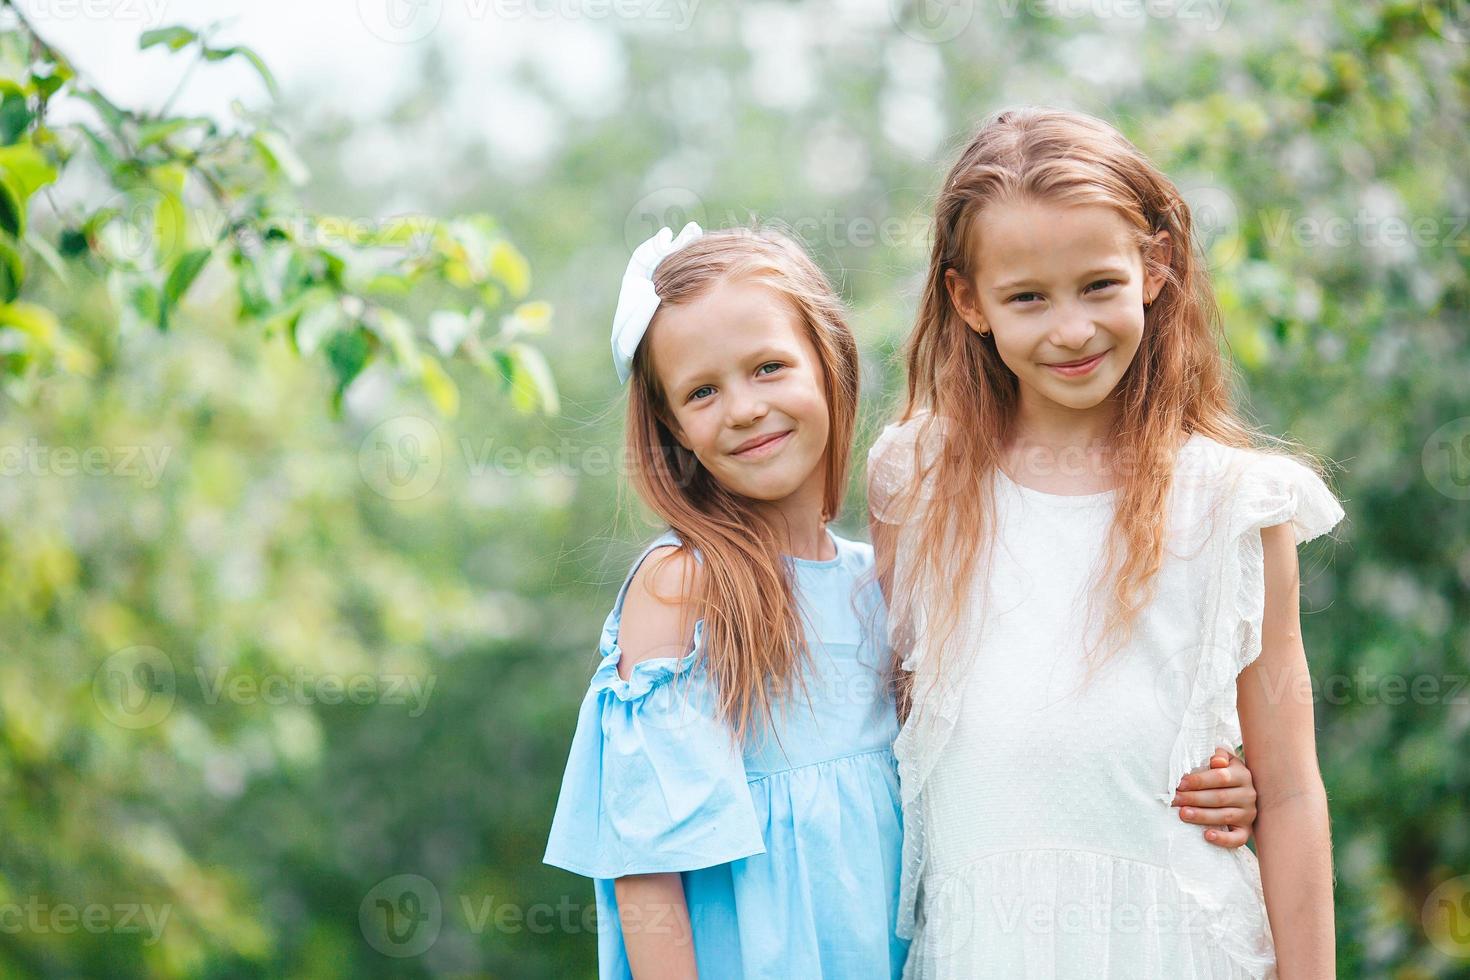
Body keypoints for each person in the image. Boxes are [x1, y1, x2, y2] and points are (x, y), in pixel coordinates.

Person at [546, 220, 1261, 980]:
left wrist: (1200, 782)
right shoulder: (684, 585)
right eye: (702, 391)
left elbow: (1003, 746)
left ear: (828, 365)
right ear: (672, 426)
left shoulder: (877, 584)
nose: (745, 408)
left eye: (767, 368)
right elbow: (647, 866)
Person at [868, 106, 1344, 979]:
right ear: (967, 300)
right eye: (1026, 298)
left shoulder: (1238, 502)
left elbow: (1289, 788)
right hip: (987, 947)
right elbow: (895, 730)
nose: (1072, 330)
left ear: (1154, 268)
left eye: (1098, 285)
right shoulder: (916, 479)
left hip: (1180, 943)